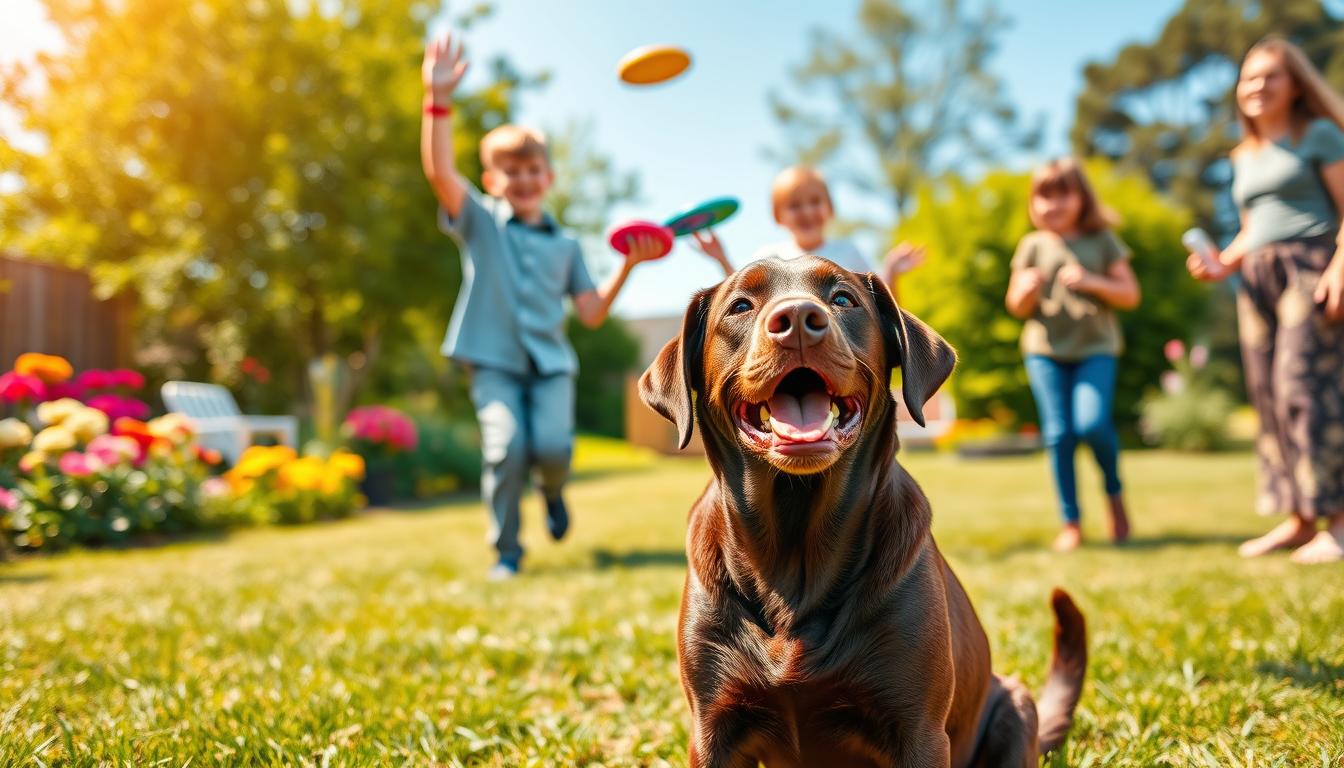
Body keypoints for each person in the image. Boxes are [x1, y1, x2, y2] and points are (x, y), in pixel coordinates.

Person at [420, 32, 662, 579]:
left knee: (552, 448)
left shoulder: (568, 246)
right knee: (506, 450)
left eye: (533, 171)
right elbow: (438, 171)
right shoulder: (480, 223)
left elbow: (593, 313)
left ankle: (552, 492)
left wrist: (627, 265)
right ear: (491, 181)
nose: (524, 179)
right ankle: (507, 551)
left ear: (549, 179)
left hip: (551, 367)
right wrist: (437, 100)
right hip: (493, 363)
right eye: (511, 171)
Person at [1185, 37, 1344, 565]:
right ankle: (1298, 518)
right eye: (1248, 78)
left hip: (1311, 266)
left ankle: (1338, 520)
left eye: (1270, 76)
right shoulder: (1244, 155)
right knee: (1270, 395)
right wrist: (1221, 263)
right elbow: (1253, 227)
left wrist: (1341, 266)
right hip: (1256, 277)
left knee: (1304, 388)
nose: (1257, 87)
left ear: (1295, 83)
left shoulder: (1318, 135)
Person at [1005, 158, 1140, 552]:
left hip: (1096, 349)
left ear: (1081, 198)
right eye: (1043, 197)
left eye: (1061, 195)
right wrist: (1025, 291)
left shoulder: (1102, 241)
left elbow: (1130, 295)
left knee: (1093, 424)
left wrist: (1092, 281)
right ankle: (1072, 523)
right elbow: (1015, 305)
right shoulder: (1031, 246)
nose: (1052, 205)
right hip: (1044, 352)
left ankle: (1114, 495)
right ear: (1033, 203)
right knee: (1059, 434)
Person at [692, 166, 925, 298]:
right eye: (794, 206)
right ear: (778, 216)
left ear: (830, 208)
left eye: (815, 202)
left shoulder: (848, 252)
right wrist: (722, 258)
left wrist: (891, 270)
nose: (806, 211)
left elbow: (883, 306)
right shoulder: (770, 255)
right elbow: (744, 293)